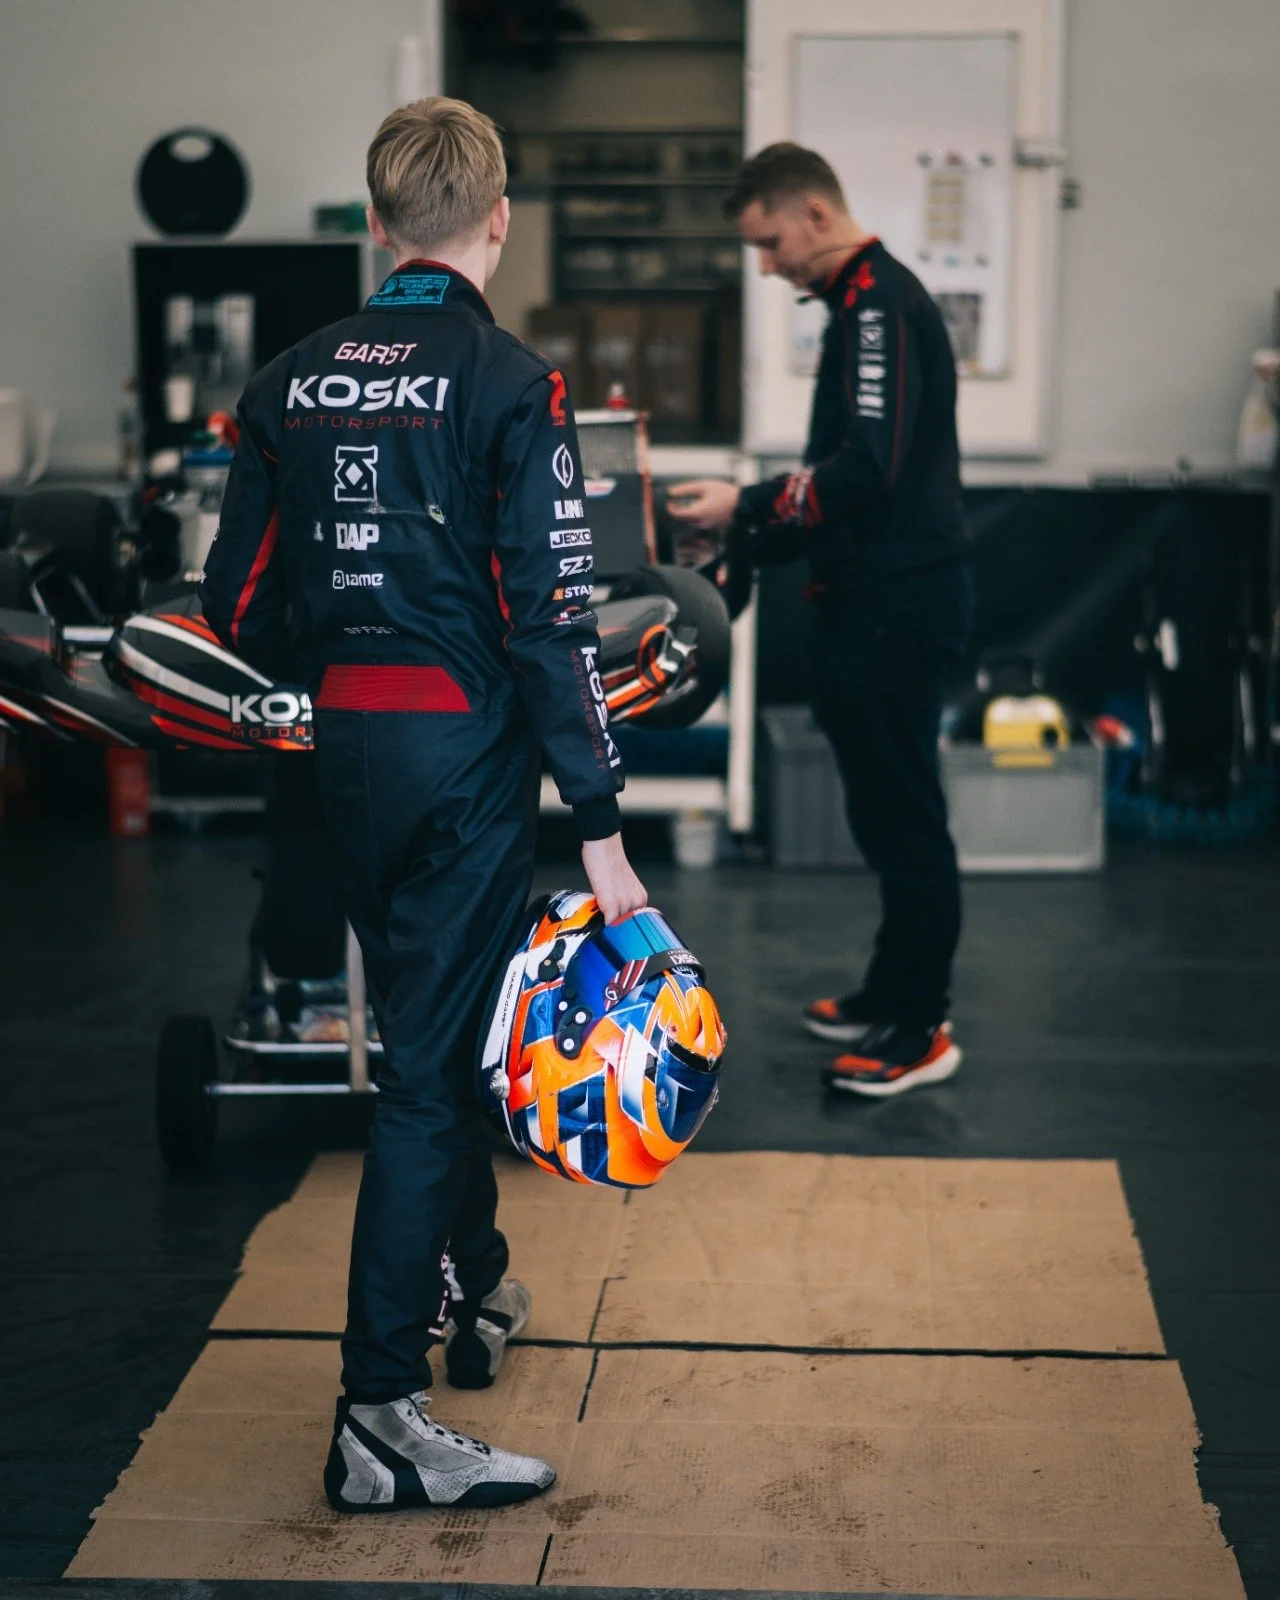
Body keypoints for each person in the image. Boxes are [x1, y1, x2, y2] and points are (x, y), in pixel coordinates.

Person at [201, 96, 647, 1512]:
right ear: (497, 220)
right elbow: (553, 621)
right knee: (420, 1083)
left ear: (380, 222)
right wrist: (603, 822)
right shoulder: (515, 384)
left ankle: (480, 1288)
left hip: (348, 756)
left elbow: (240, 602)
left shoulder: (289, 379)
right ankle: (380, 1417)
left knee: (429, 1050)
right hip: (464, 767)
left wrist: (347, 660)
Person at [669, 142, 970, 1098]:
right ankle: (894, 986)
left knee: (907, 816)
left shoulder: (879, 302)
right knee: (882, 814)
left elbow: (866, 469)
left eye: (769, 242)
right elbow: (848, 483)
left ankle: (920, 1028)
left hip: (898, 608)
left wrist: (743, 508)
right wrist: (746, 538)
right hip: (865, 603)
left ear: (811, 212)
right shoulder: (854, 305)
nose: (767, 265)